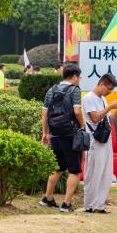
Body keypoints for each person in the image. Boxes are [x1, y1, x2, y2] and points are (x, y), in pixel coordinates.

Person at [40, 64, 86, 213]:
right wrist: (83, 126)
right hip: (70, 134)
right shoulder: (75, 90)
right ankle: (66, 204)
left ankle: (47, 198)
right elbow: (77, 111)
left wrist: (45, 133)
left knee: (57, 168)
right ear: (74, 77)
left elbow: (44, 113)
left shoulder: (51, 90)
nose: (79, 80)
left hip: (55, 134)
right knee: (74, 170)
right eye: (79, 77)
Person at [82, 73, 117, 213]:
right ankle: (89, 204)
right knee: (93, 173)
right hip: (94, 141)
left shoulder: (104, 99)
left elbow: (109, 120)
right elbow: (94, 118)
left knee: (105, 173)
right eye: (109, 88)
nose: (109, 92)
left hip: (106, 140)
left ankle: (99, 205)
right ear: (101, 84)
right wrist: (109, 107)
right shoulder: (88, 98)